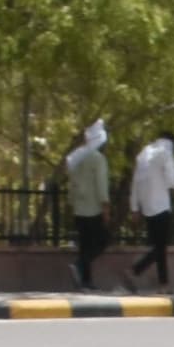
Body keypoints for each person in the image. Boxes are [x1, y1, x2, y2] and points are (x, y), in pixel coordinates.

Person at [126, 131, 174, 291]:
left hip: (147, 207)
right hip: (161, 206)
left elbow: (135, 183)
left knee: (159, 247)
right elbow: (171, 174)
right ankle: (137, 271)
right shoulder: (165, 151)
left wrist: (135, 207)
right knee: (161, 247)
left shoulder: (144, 154)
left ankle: (160, 282)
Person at [63, 120, 112, 290]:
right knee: (103, 241)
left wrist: (71, 204)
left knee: (85, 245)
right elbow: (101, 185)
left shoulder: (77, 158)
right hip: (94, 209)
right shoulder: (98, 159)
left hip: (79, 208)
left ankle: (86, 281)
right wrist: (105, 207)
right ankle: (79, 265)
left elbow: (71, 184)